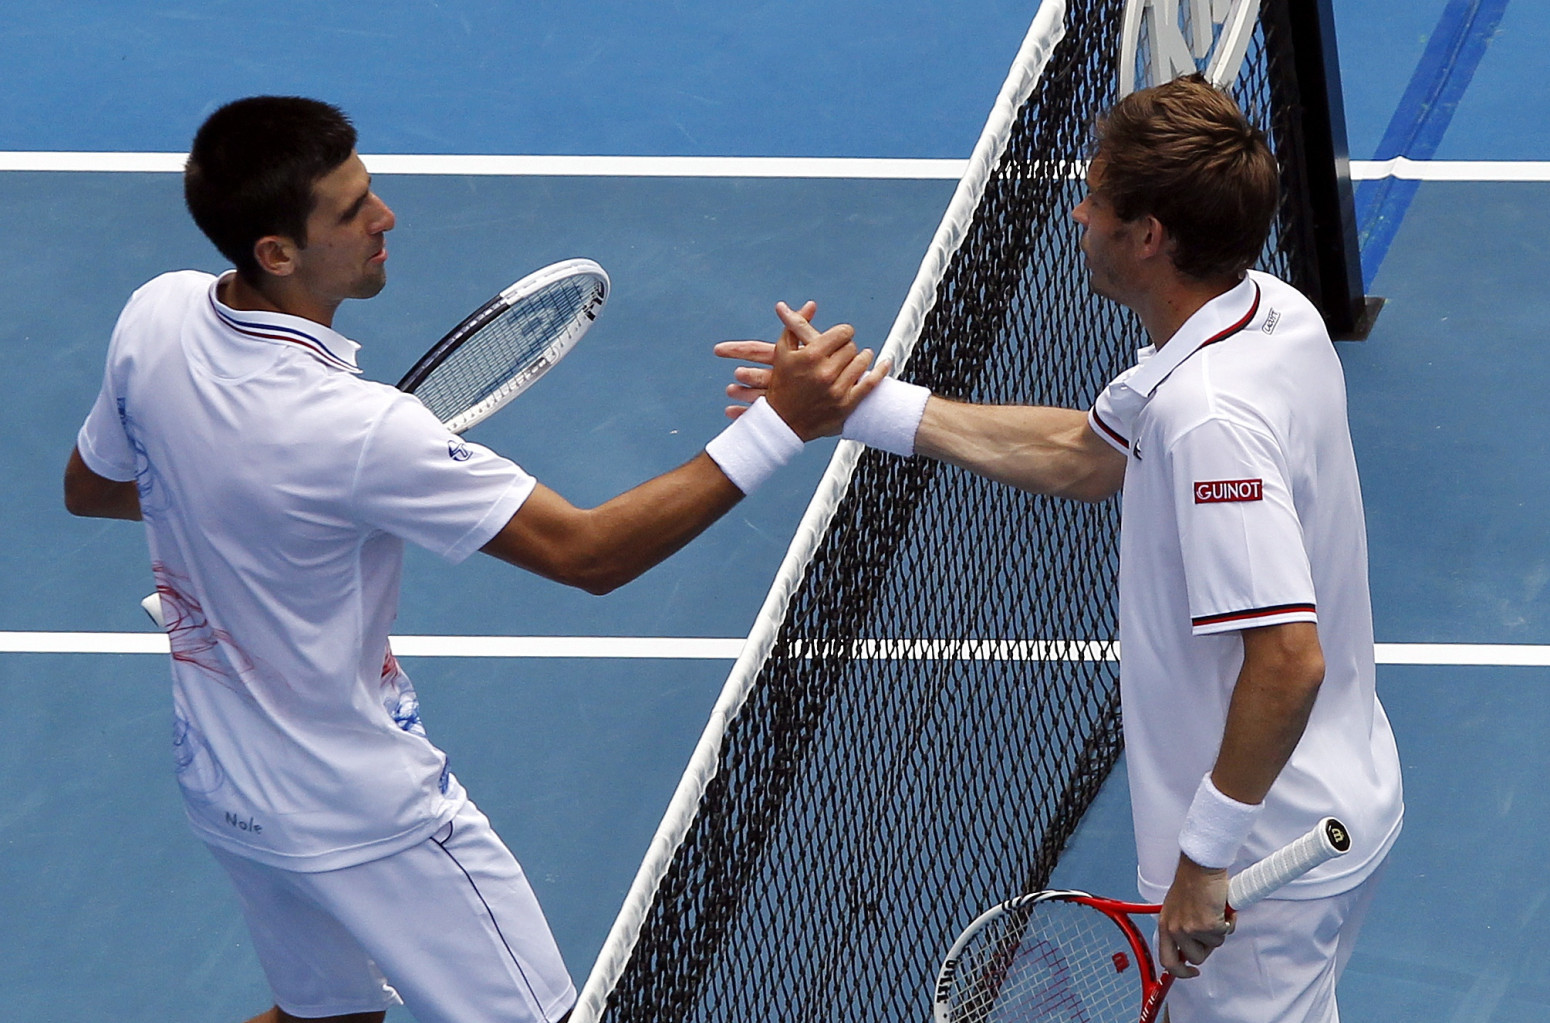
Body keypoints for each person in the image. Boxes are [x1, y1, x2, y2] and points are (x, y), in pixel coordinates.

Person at [64, 95, 883, 1023]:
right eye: (353, 212)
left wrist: (251, 525)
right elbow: (590, 553)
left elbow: (95, 486)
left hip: (227, 787)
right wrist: (782, 424)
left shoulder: (157, 315)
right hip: (366, 813)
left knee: (326, 1020)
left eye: (371, 191)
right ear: (277, 253)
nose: (386, 218)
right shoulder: (364, 431)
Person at [718, 74, 1402, 1022]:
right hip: (1338, 793)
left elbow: (1288, 660)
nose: (1079, 214)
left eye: (1095, 199)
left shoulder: (1208, 416)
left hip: (1260, 862)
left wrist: (1203, 859)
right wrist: (856, 408)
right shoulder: (1269, 312)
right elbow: (1084, 454)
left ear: (1148, 235)